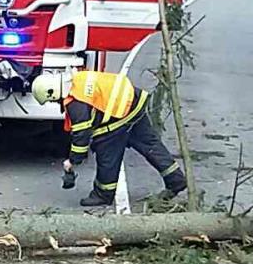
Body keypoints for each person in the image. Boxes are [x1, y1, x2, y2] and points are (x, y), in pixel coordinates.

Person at [30, 69, 186, 207]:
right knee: (150, 145)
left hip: (121, 114)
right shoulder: (77, 79)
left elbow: (82, 136)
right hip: (133, 103)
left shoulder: (76, 103)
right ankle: (176, 180)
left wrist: (72, 161)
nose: (55, 103)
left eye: (51, 100)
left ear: (52, 92)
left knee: (106, 150)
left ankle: (103, 194)